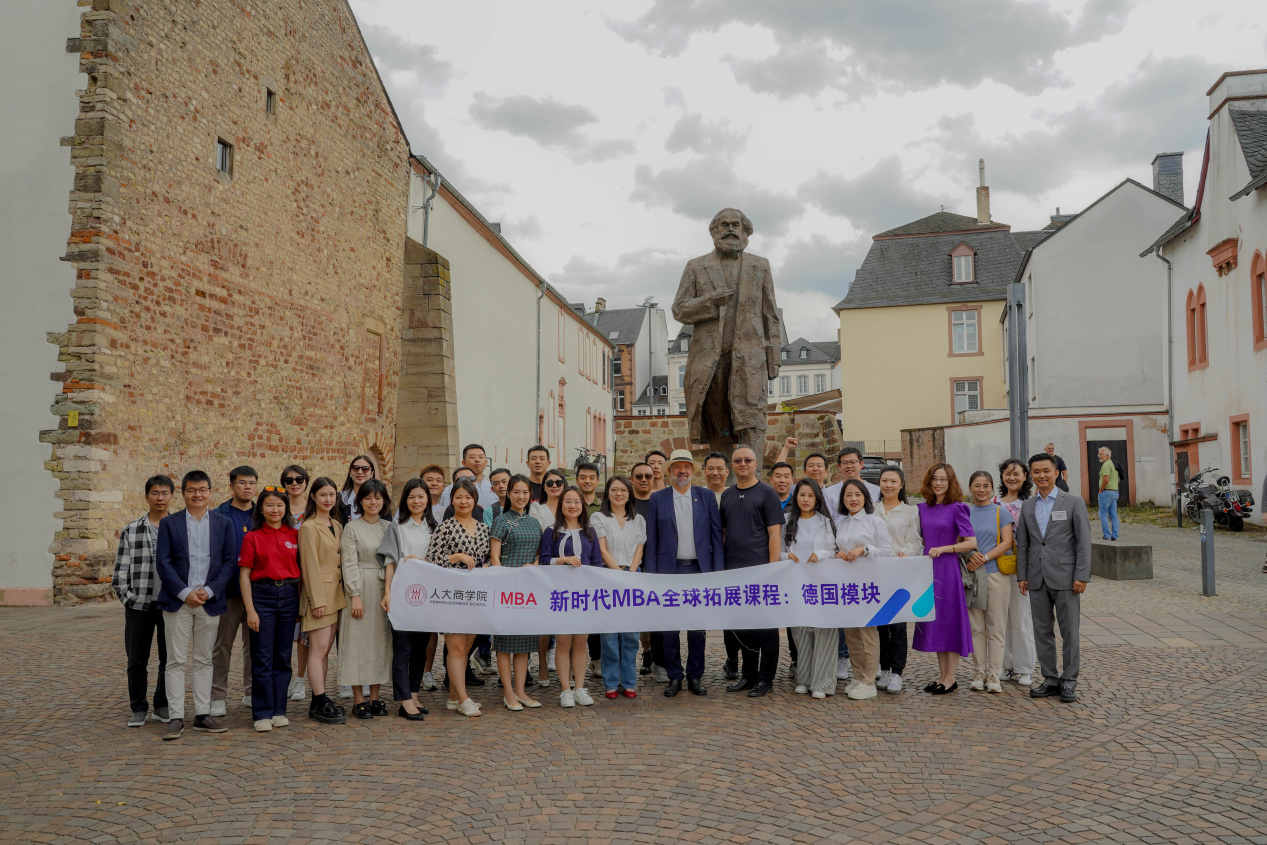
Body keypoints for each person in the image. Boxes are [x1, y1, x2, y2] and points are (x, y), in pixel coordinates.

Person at [154, 470, 238, 740]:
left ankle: (202, 714)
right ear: (183, 493)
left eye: (202, 489)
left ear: (210, 492)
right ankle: (176, 717)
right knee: (175, 661)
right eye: (191, 490)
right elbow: (163, 563)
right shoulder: (170, 523)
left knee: (204, 659)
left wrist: (210, 591)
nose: (197, 494)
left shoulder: (223, 524)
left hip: (208, 601)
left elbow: (229, 563)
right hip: (177, 601)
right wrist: (184, 592)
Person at [645, 449, 724, 697]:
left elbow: (716, 536)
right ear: (670, 471)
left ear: (692, 471)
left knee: (697, 628)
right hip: (669, 570)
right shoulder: (658, 499)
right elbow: (652, 539)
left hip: (699, 570)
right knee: (670, 628)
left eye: (686, 467)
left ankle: (695, 676)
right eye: (677, 467)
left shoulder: (706, 496)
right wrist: (652, 575)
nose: (682, 471)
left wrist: (717, 572)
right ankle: (674, 677)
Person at [1016, 452, 1091, 704]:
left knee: (1070, 632)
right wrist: (1022, 575)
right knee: (1042, 631)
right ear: (1031, 475)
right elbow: (1024, 544)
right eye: (1036, 471)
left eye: (1046, 471)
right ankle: (1050, 678)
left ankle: (1069, 681)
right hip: (1036, 578)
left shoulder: (1073, 502)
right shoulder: (1028, 506)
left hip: (1067, 578)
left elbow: (1083, 542)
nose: (1042, 475)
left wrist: (1082, 575)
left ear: (1056, 473)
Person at [719, 445, 783, 698]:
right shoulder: (727, 496)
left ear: (756, 464)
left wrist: (772, 569)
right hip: (734, 572)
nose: (743, 464)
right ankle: (748, 675)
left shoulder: (767, 493)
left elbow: (774, 534)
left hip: (761, 572)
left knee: (766, 629)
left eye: (747, 460)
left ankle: (766, 679)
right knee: (743, 628)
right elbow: (725, 534)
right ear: (732, 467)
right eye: (738, 460)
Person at [237, 486, 301, 732]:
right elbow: (244, 576)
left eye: (280, 505)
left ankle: (279, 710)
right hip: (262, 596)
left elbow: (302, 571)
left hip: (289, 595)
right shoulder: (252, 537)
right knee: (262, 656)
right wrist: (250, 610)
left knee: (283, 657)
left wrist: (300, 604)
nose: (275, 510)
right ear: (261, 509)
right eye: (270, 505)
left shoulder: (295, 535)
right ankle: (262, 713)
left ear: (286, 508)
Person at [113, 475, 175, 727]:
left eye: (164, 493)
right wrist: (128, 598)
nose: (160, 498)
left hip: (170, 604)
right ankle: (138, 708)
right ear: (146, 496)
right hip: (139, 605)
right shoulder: (131, 529)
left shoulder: (178, 527)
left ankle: (162, 704)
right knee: (136, 660)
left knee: (169, 659)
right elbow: (120, 571)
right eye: (155, 493)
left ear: (172, 496)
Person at [427, 479, 491, 717]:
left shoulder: (483, 528)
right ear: (451, 500)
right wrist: (456, 557)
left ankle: (454, 697)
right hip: (451, 595)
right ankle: (464, 699)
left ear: (475, 500)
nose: (463, 501)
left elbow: (488, 558)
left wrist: (488, 566)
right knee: (455, 648)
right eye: (458, 497)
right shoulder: (444, 527)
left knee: (465, 648)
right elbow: (431, 561)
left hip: (475, 596)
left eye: (468, 497)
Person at [911, 464, 977, 695]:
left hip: (947, 570)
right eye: (934, 479)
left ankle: (951, 678)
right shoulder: (921, 508)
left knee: (950, 621)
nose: (938, 483)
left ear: (950, 483)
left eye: (943, 479)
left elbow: (971, 542)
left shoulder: (957, 508)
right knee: (935, 622)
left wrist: (946, 548)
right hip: (926, 569)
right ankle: (942, 676)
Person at [376, 477, 435, 721]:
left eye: (421, 496)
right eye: (412, 497)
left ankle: (414, 693)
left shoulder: (434, 527)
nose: (416, 501)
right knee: (403, 649)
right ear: (405, 500)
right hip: (402, 593)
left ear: (427, 500)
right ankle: (404, 700)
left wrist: (422, 562)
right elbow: (390, 561)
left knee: (421, 649)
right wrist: (388, 592)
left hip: (428, 595)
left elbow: (439, 560)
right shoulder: (397, 527)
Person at [541, 487, 603, 707]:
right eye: (568, 501)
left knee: (580, 642)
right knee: (563, 642)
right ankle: (565, 689)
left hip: (584, 595)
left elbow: (597, 564)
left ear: (582, 506)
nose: (573, 506)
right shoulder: (551, 531)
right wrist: (563, 560)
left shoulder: (590, 532)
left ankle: (580, 688)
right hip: (561, 594)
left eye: (577, 501)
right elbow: (544, 560)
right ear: (561, 505)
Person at [833, 479, 893, 700]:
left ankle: (869, 681)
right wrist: (838, 553)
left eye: (857, 494)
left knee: (868, 632)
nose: (853, 499)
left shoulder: (874, 521)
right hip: (847, 586)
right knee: (851, 633)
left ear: (865, 498)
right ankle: (857, 677)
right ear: (842, 499)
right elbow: (835, 547)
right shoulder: (839, 523)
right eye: (848, 495)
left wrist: (864, 549)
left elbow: (887, 551)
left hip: (869, 585)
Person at [488, 474, 544, 711]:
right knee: (504, 642)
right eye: (516, 492)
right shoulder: (501, 521)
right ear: (508, 494)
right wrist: (503, 583)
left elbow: (539, 553)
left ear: (530, 495)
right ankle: (508, 692)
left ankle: (520, 691)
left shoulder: (534, 522)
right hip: (506, 587)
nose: (521, 497)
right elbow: (494, 557)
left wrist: (535, 565)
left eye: (525, 492)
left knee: (524, 642)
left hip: (528, 589)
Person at [339, 479, 392, 720]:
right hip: (360, 586)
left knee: (379, 642)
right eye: (368, 498)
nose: (373, 502)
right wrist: (355, 595)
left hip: (383, 589)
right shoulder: (352, 528)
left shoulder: (389, 527)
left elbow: (393, 560)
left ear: (384, 501)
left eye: (377, 498)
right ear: (360, 501)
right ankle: (358, 699)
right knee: (357, 642)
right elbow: (348, 563)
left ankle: (375, 697)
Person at [298, 477, 348, 725]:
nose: (328, 499)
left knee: (325, 650)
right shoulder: (308, 527)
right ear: (313, 497)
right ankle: (319, 701)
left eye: (332, 495)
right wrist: (316, 601)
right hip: (319, 598)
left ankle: (319, 698)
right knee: (317, 651)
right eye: (323, 495)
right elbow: (309, 567)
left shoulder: (336, 525)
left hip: (336, 596)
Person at [781, 478, 837, 699]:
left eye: (810, 495)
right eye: (802, 495)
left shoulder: (825, 522)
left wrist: (821, 554)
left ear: (817, 499)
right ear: (796, 497)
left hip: (822, 583)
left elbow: (833, 551)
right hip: (797, 583)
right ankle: (804, 678)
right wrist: (786, 556)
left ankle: (823, 683)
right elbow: (779, 551)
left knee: (823, 630)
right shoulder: (787, 520)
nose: (806, 499)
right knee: (801, 630)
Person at [591, 476, 646, 699]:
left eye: (623, 489)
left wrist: (631, 573)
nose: (619, 493)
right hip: (608, 576)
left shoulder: (638, 519)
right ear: (608, 493)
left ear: (629, 494)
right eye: (614, 489)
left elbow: (640, 549)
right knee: (609, 635)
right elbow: (602, 549)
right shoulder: (598, 517)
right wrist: (618, 573)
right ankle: (611, 682)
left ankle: (629, 682)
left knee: (631, 634)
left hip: (633, 576)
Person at [210, 465, 257, 718]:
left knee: (255, 647)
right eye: (242, 482)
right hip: (227, 592)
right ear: (231, 486)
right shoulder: (219, 515)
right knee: (222, 647)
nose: (247, 487)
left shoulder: (263, 513)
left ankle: (251, 692)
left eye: (251, 482)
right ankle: (217, 697)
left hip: (257, 593)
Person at [966, 471, 1015, 694]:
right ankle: (979, 671)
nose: (982, 490)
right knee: (976, 627)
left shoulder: (1000, 511)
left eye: (986, 486)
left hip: (995, 574)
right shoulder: (965, 512)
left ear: (992, 488)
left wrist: (984, 557)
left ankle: (994, 672)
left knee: (996, 626)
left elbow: (1007, 542)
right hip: (972, 576)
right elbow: (959, 540)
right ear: (970, 488)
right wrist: (971, 556)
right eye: (977, 486)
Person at [874, 466, 921, 694]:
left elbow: (916, 542)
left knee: (898, 625)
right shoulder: (870, 509)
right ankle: (883, 668)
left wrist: (905, 552)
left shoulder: (910, 511)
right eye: (885, 481)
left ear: (901, 484)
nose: (888, 485)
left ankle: (897, 672)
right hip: (875, 573)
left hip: (899, 573)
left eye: (893, 481)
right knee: (879, 624)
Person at [995, 459, 1036, 686]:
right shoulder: (994, 502)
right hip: (996, 566)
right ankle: (1007, 665)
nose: (1012, 478)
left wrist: (1028, 571)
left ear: (1024, 476)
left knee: (1021, 618)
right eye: (1007, 473)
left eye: (1016, 474)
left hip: (1021, 567)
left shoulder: (1030, 504)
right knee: (1001, 619)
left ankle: (1025, 667)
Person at [528, 467, 567, 684]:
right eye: (549, 482)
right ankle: (542, 665)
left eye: (558, 482)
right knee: (544, 622)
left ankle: (564, 664)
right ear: (543, 486)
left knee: (565, 621)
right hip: (544, 566)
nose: (554, 486)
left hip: (568, 570)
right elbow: (535, 538)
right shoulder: (537, 508)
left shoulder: (570, 505)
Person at [629, 460, 664, 679]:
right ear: (631, 479)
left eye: (648, 476)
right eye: (639, 476)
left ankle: (658, 659)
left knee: (657, 616)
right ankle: (646, 652)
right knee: (636, 616)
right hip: (631, 566)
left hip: (657, 565)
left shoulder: (660, 501)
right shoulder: (626, 502)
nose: (644, 480)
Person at [439, 443, 499, 510]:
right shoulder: (451, 489)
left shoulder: (493, 487)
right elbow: (446, 512)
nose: (477, 460)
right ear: (463, 463)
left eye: (481, 457)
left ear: (486, 462)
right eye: (472, 457)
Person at [340, 455, 377, 522]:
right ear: (350, 473)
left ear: (372, 474)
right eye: (356, 468)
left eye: (365, 469)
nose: (360, 472)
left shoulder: (380, 500)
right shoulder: (340, 499)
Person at [1097, 447, 1121, 541]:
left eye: (1101, 454)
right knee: (1113, 515)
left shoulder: (1106, 465)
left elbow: (1106, 479)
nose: (1099, 456)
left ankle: (1106, 535)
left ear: (1107, 455)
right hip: (1114, 492)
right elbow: (1119, 478)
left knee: (1102, 514)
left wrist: (1101, 490)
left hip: (1106, 492)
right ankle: (1115, 536)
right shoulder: (1113, 464)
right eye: (1099, 454)